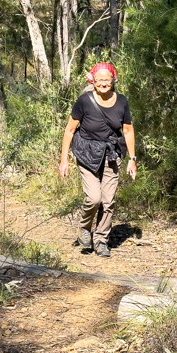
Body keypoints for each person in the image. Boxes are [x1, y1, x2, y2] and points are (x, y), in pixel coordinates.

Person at [58, 62, 136, 258]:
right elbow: (69, 130)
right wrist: (64, 159)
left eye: (107, 79)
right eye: (99, 80)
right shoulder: (84, 101)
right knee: (94, 198)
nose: (103, 83)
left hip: (111, 154)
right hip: (87, 153)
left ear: (113, 80)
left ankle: (101, 240)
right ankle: (85, 229)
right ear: (93, 81)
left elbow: (127, 130)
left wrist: (132, 159)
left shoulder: (122, 101)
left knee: (108, 201)